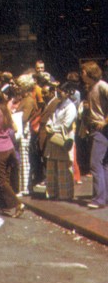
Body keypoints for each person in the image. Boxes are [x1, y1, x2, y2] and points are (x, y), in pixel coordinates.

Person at [0, 89, 24, 216]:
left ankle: (18, 204)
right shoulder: (5, 111)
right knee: (6, 178)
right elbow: (16, 128)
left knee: (1, 181)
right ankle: (4, 204)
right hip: (10, 147)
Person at [43, 82, 78, 201]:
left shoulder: (71, 107)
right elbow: (51, 117)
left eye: (60, 91)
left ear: (67, 93)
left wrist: (53, 129)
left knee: (63, 167)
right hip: (52, 139)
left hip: (62, 138)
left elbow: (66, 124)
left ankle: (64, 195)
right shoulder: (58, 104)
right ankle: (52, 193)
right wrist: (49, 125)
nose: (58, 93)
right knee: (52, 167)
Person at [80, 62, 108, 209]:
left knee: (95, 163)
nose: (81, 74)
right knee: (103, 164)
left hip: (101, 129)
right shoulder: (90, 88)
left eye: (83, 71)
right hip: (95, 128)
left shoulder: (102, 86)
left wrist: (105, 121)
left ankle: (98, 199)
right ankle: (103, 197)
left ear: (90, 72)